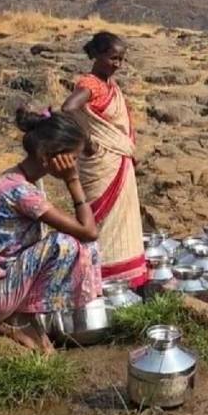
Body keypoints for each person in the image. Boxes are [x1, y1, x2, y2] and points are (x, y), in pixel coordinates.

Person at [0, 109, 102, 354]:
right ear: (46, 156)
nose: (75, 165)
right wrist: (73, 181)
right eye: (74, 158)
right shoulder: (20, 192)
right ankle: (15, 319)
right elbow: (89, 232)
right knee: (67, 244)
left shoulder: (20, 179)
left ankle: (24, 316)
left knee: (74, 243)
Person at [61, 31, 146, 287]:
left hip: (118, 159)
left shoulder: (110, 85)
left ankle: (124, 274)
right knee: (101, 220)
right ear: (97, 55)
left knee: (121, 221)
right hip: (102, 162)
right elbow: (68, 108)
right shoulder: (92, 84)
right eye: (112, 58)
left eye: (121, 60)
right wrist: (87, 140)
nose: (117, 65)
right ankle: (102, 276)